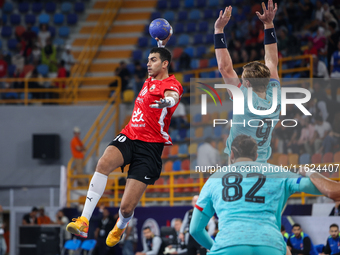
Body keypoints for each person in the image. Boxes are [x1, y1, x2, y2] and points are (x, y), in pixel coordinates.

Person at [66, 34, 184, 249]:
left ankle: (121, 225)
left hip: (150, 147)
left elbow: (173, 96)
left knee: (127, 208)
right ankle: (83, 220)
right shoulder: (151, 78)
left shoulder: (171, 83)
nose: (148, 64)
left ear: (165, 64)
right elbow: (161, 56)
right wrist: (160, 43)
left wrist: (166, 102)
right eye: (148, 60)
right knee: (102, 164)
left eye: (153, 60)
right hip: (129, 135)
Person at [189, 134, 325, 255]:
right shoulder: (278, 172)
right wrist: (311, 173)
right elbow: (317, 187)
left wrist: (216, 248)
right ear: (255, 156)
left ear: (231, 155)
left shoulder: (214, 178)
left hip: (229, 245)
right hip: (270, 245)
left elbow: (195, 229)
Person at [215, 2, 280, 164]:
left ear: (248, 84)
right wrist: (269, 24)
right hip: (261, 161)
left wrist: (219, 30)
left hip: (238, 162)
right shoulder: (275, 94)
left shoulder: (243, 98)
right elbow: (271, 61)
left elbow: (224, 68)